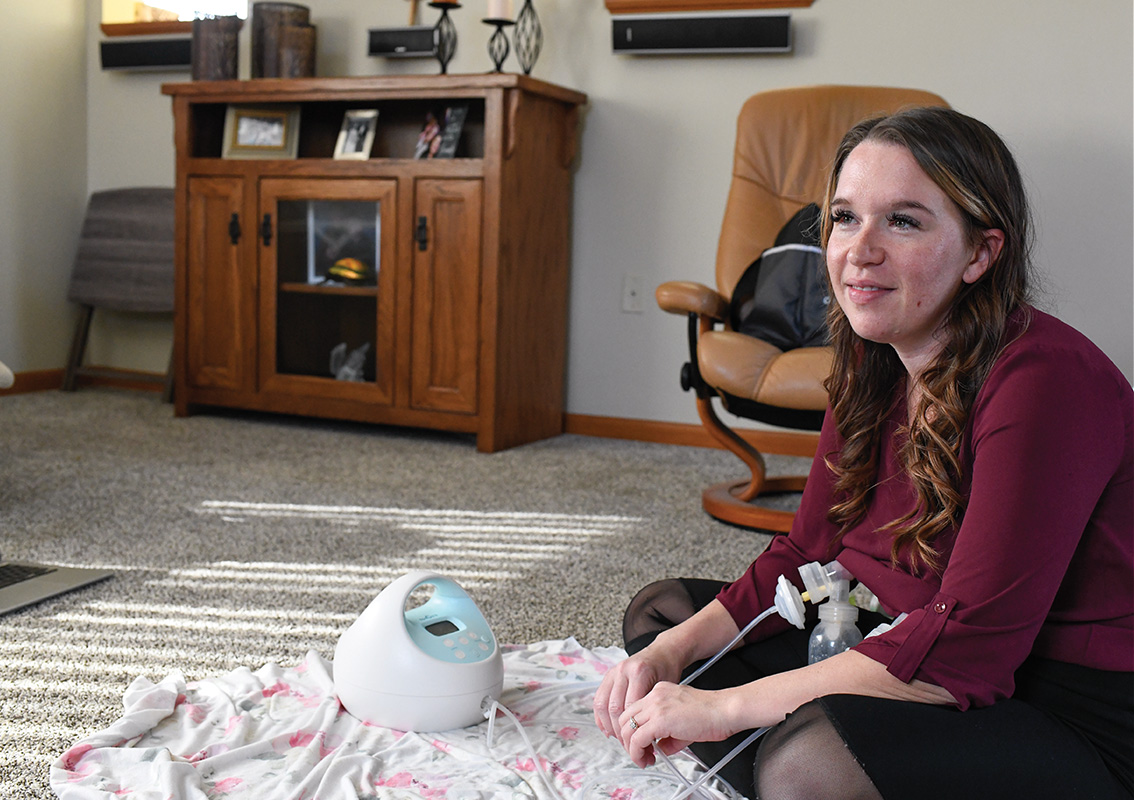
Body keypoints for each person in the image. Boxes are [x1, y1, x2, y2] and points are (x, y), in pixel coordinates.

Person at [593, 106, 1134, 800]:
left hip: (1065, 704)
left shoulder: (1046, 381)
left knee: (804, 759)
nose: (860, 250)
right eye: (845, 217)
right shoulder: (872, 360)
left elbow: (966, 654)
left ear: (980, 253)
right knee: (662, 622)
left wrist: (724, 709)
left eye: (902, 221)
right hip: (910, 640)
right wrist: (672, 656)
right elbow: (803, 551)